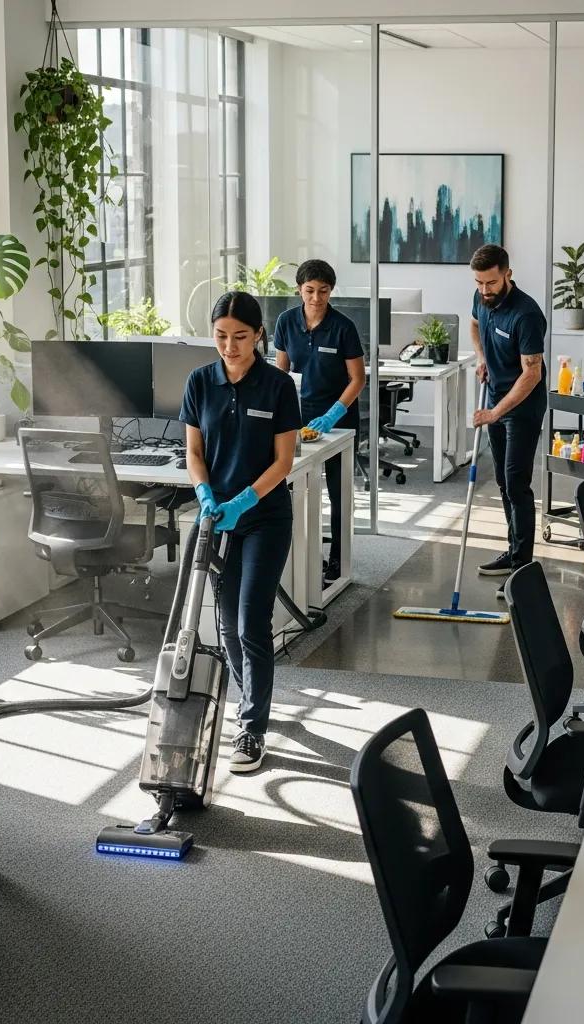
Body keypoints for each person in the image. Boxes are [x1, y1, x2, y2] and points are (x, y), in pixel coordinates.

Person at [181, 291, 302, 773]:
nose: (230, 347)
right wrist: (206, 495)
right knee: (226, 623)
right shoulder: (199, 382)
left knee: (252, 622)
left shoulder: (276, 386)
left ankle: (252, 728)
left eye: (240, 337)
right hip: (217, 518)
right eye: (221, 337)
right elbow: (193, 451)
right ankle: (248, 701)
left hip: (265, 517)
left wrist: (244, 500)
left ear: (258, 336)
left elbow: (284, 460)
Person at [274, 259, 365, 584]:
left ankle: (338, 564)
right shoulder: (286, 322)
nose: (316, 298)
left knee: (338, 493)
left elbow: (357, 378)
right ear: (299, 289)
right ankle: (298, 559)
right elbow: (281, 374)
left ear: (331, 291)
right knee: (297, 486)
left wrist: (333, 416)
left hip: (337, 418)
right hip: (298, 418)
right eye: (310, 291)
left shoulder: (343, 327)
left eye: (323, 291)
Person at [468, 244, 548, 593]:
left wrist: (495, 414)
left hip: (522, 406)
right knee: (502, 481)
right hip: (497, 399)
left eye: (491, 283)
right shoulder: (480, 297)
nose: (484, 290)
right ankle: (513, 549)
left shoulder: (527, 314)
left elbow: (532, 374)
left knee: (517, 482)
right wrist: (481, 356)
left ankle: (522, 567)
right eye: (479, 283)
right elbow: (474, 323)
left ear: (508, 275)